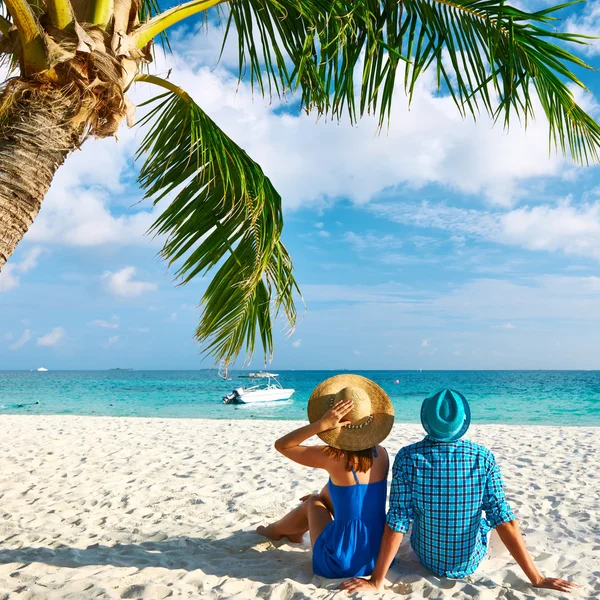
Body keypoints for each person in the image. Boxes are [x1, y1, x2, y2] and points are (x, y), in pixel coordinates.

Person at [340, 389, 579, 594]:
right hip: (471, 563)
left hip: (428, 559)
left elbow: (398, 521)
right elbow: (503, 520)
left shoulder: (407, 457)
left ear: (427, 420)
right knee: (496, 518)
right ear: (463, 421)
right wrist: (536, 579)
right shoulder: (483, 457)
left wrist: (377, 581)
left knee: (414, 516)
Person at [256, 374, 395, 578]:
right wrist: (323, 496)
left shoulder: (332, 456)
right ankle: (288, 530)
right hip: (377, 557)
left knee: (312, 502)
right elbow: (349, 492)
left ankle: (274, 531)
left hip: (340, 561)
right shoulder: (381, 454)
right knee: (323, 496)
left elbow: (282, 445)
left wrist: (321, 425)